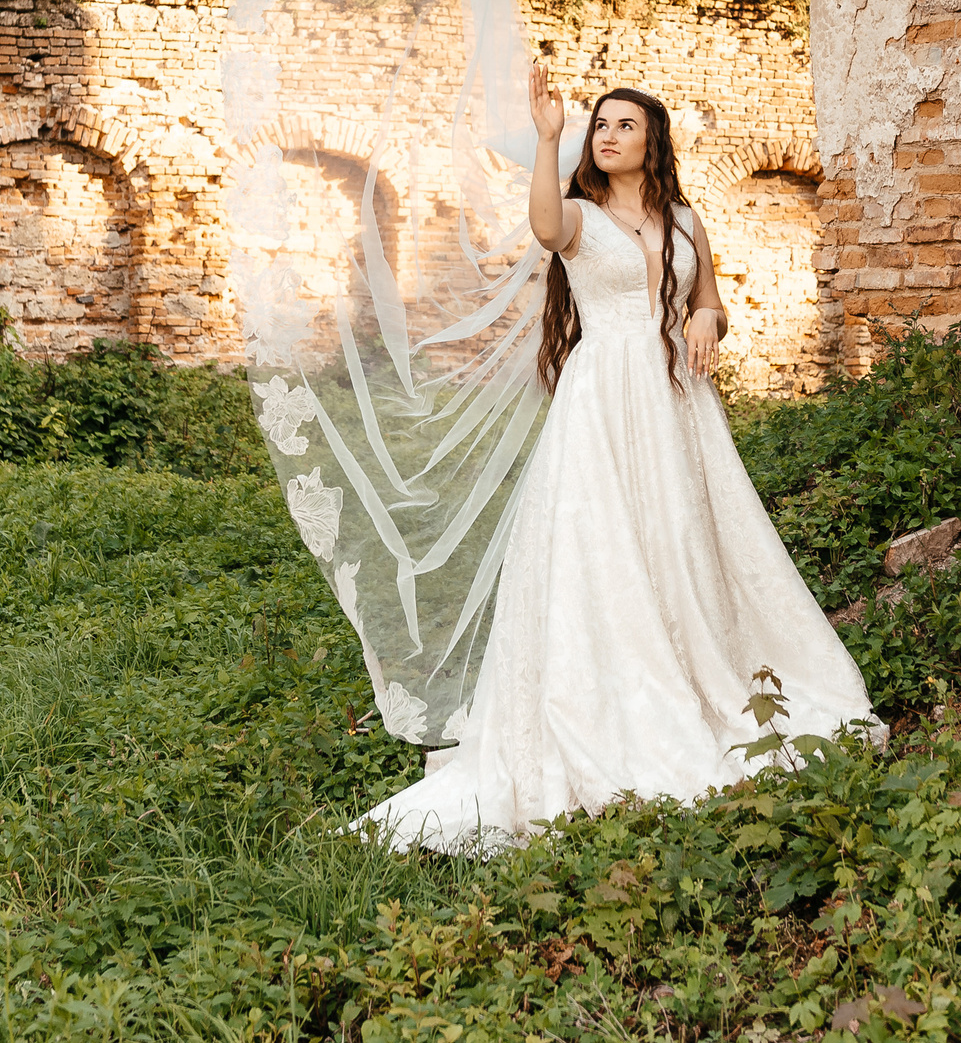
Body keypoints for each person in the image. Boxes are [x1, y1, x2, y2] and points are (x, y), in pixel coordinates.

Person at [356, 67, 883, 853]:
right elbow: (540, 228)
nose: (607, 135)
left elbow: (710, 300)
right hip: (601, 395)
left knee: (682, 536)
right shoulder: (575, 214)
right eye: (599, 125)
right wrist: (545, 136)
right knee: (599, 541)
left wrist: (707, 319)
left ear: (653, 141)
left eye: (624, 125)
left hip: (675, 400)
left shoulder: (685, 220)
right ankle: (608, 697)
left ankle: (710, 677)